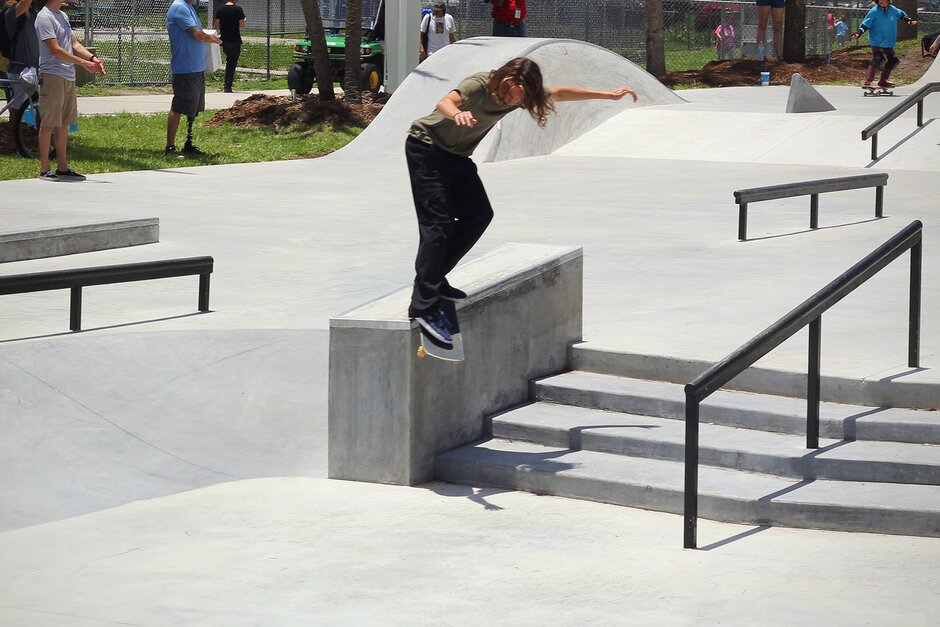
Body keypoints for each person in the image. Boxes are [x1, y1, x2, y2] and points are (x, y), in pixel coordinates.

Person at [404, 57, 638, 343]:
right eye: (513, 92)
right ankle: (424, 306)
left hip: (456, 157)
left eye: (522, 96)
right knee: (438, 224)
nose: (514, 100)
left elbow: (561, 92)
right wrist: (456, 115)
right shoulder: (479, 84)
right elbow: (445, 101)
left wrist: (607, 94)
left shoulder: (523, 94)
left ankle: (435, 277)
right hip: (425, 147)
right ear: (506, 80)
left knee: (479, 214)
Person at [34, 0, 105, 181]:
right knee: (48, 123)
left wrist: (92, 58)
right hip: (52, 75)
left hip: (67, 75)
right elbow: (55, 50)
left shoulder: (62, 16)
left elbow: (74, 43)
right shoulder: (44, 17)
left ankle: (62, 167)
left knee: (64, 123)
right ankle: (44, 169)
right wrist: (82, 63)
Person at [165, 0, 221, 157]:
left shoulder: (189, 7)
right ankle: (170, 147)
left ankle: (188, 144)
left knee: (193, 108)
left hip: (196, 67)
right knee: (178, 107)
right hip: (185, 68)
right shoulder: (179, 7)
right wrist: (215, 40)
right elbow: (196, 34)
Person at [851, 0, 917, 89]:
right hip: (876, 39)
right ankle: (868, 81)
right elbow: (865, 24)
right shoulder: (874, 11)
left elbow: (902, 15)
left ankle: (883, 81)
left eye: (884, 1)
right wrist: (858, 33)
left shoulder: (893, 10)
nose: (881, 4)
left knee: (893, 60)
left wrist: (909, 21)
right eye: (880, 2)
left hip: (888, 40)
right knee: (878, 58)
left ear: (888, 1)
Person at [4, 0, 40, 112]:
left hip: (36, 70)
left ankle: (34, 129)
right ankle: (14, 129)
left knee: (40, 108)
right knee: (16, 109)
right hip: (18, 71)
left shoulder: (35, 15)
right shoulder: (11, 13)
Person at [212, 0, 244, 93]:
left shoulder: (220, 9)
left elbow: (216, 26)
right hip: (235, 40)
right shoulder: (238, 9)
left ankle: (227, 84)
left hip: (224, 40)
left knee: (229, 60)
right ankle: (227, 86)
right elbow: (242, 25)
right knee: (231, 63)